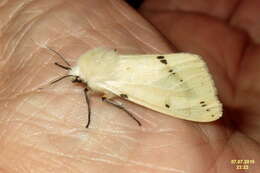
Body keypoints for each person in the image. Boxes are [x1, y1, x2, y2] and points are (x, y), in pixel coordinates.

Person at [0, 0, 258, 172]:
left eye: (79, 80)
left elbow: (100, 95)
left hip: (151, 86)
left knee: (128, 96)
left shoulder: (99, 84)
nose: (78, 83)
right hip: (159, 65)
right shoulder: (95, 67)